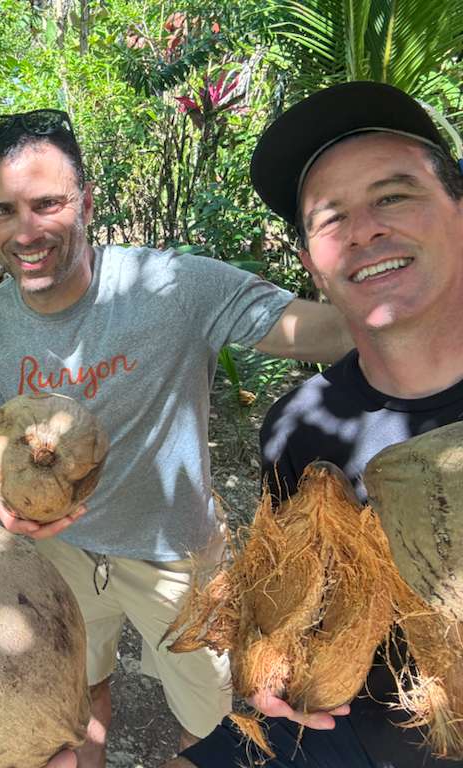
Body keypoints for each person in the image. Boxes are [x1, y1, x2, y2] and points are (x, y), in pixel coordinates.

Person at [0, 108, 355, 768]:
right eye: (3, 211)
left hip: (177, 560)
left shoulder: (172, 288)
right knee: (80, 696)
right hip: (64, 556)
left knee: (212, 725)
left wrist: (390, 295)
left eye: (47, 204)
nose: (24, 231)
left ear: (87, 202)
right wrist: (6, 502)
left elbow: (328, 331)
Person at [167, 80, 463, 768]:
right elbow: (296, 604)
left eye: (393, 197)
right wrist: (271, 667)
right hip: (356, 727)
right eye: (331, 219)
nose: (363, 230)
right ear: (311, 266)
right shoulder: (298, 429)